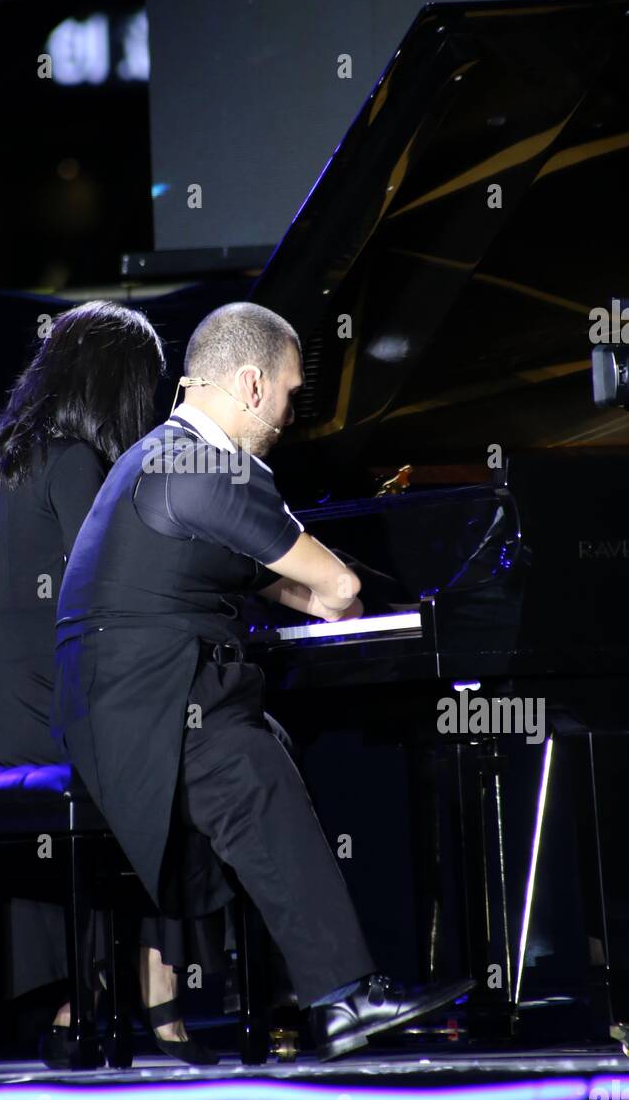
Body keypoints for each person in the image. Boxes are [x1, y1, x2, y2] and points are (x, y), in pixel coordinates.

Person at [53, 301, 474, 1061]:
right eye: (287, 393)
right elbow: (339, 588)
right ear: (250, 384)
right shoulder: (210, 464)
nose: (288, 414)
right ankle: (343, 999)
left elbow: (272, 581)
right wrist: (344, 600)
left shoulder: (163, 454)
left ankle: (300, 987)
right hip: (150, 711)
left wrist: (318, 594)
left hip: (126, 702)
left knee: (266, 743)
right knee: (248, 764)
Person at [0, 300, 225, 1064]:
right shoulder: (75, 461)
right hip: (48, 708)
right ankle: (159, 998)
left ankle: (82, 1000)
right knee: (181, 769)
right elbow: (113, 588)